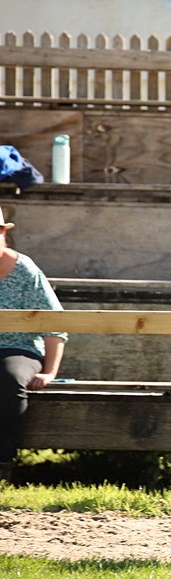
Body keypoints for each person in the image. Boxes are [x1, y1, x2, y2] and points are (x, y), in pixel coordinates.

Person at [0, 207, 67, 483]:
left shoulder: (24, 269)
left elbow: (54, 322)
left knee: (9, 378)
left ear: (3, 233)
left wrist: (49, 372)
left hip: (18, 346)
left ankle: (2, 460)